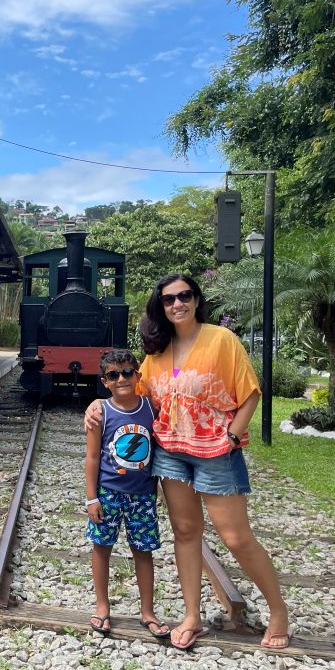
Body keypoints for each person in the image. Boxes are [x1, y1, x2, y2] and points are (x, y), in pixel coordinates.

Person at [85, 273, 290, 650]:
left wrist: (231, 436)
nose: (177, 304)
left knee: (235, 536)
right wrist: (96, 405)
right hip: (171, 453)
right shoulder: (156, 351)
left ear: (196, 299)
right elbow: (135, 397)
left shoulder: (221, 340)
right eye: (169, 299)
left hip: (216, 451)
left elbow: (250, 394)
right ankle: (192, 615)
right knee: (185, 531)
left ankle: (278, 611)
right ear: (160, 307)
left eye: (184, 296)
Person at [85, 349, 171, 640]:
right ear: (105, 381)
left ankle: (147, 611)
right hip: (109, 493)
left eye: (126, 372)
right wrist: (91, 497)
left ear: (138, 375)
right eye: (113, 375)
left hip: (143, 495)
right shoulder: (101, 413)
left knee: (143, 552)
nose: (121, 378)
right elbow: (92, 457)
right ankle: (102, 606)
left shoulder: (150, 408)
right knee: (102, 547)